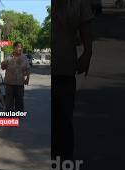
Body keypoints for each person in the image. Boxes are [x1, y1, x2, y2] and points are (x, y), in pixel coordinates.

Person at [53, 0, 94, 160]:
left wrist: (87, 53)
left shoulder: (79, 3)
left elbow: (86, 27)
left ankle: (64, 156)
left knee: (64, 115)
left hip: (65, 67)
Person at [1, 42, 31, 112]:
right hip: (9, 82)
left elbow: (28, 68)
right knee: (9, 100)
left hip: (20, 82)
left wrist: (27, 78)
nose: (20, 48)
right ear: (14, 48)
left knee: (19, 99)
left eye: (21, 47)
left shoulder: (24, 57)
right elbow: (3, 68)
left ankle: (19, 112)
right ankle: (9, 113)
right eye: (18, 47)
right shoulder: (8, 57)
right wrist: (3, 64)